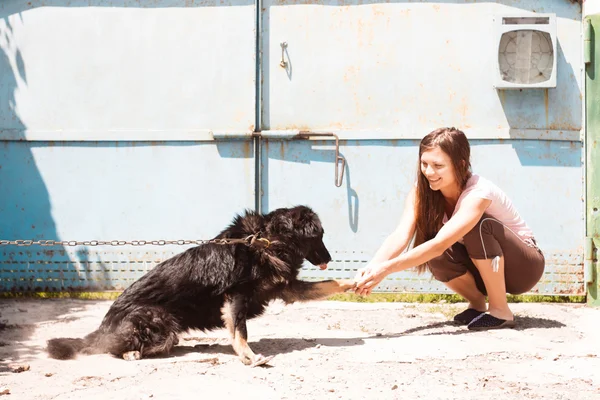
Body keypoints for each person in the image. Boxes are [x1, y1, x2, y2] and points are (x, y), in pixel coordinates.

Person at [353, 127, 545, 330]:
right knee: (429, 249)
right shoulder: (422, 193)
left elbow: (440, 243)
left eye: (438, 165)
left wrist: (386, 269)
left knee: (477, 227)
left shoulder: (479, 193)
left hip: (523, 268)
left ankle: (500, 310)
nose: (428, 172)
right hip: (487, 268)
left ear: (459, 164)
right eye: (424, 163)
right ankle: (477, 305)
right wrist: (371, 269)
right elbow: (401, 234)